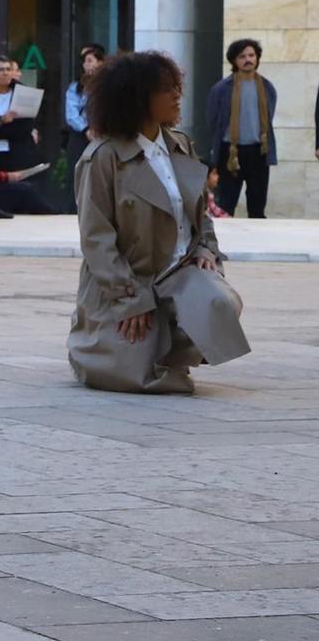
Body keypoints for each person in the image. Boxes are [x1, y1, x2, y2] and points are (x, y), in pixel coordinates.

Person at [69, 50, 249, 394]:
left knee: (219, 302)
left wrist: (207, 250)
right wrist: (129, 299)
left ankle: (174, 347)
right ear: (137, 97)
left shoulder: (179, 144)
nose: (176, 96)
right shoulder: (103, 158)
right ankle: (100, 345)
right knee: (136, 374)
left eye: (176, 87)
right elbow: (96, 238)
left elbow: (200, 211)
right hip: (129, 278)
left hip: (179, 271)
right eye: (165, 89)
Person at [203, 38, 278, 218]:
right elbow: (213, 120)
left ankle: (258, 244)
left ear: (257, 58)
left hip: (258, 151)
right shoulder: (221, 89)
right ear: (234, 61)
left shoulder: (267, 87)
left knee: (257, 206)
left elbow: (269, 115)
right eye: (242, 56)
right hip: (231, 153)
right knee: (226, 205)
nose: (248, 60)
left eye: (252, 55)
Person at [0, 55, 44, 174]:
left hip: (17, 153)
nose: (5, 73)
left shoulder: (24, 93)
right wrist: (0, 121)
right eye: (0, 70)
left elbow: (25, 128)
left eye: (8, 69)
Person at [64, 43, 106, 168]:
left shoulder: (109, 84)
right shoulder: (75, 87)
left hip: (103, 134)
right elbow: (71, 114)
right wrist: (85, 128)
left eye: (90, 61)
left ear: (100, 62)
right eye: (85, 61)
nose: (86, 65)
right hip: (81, 135)